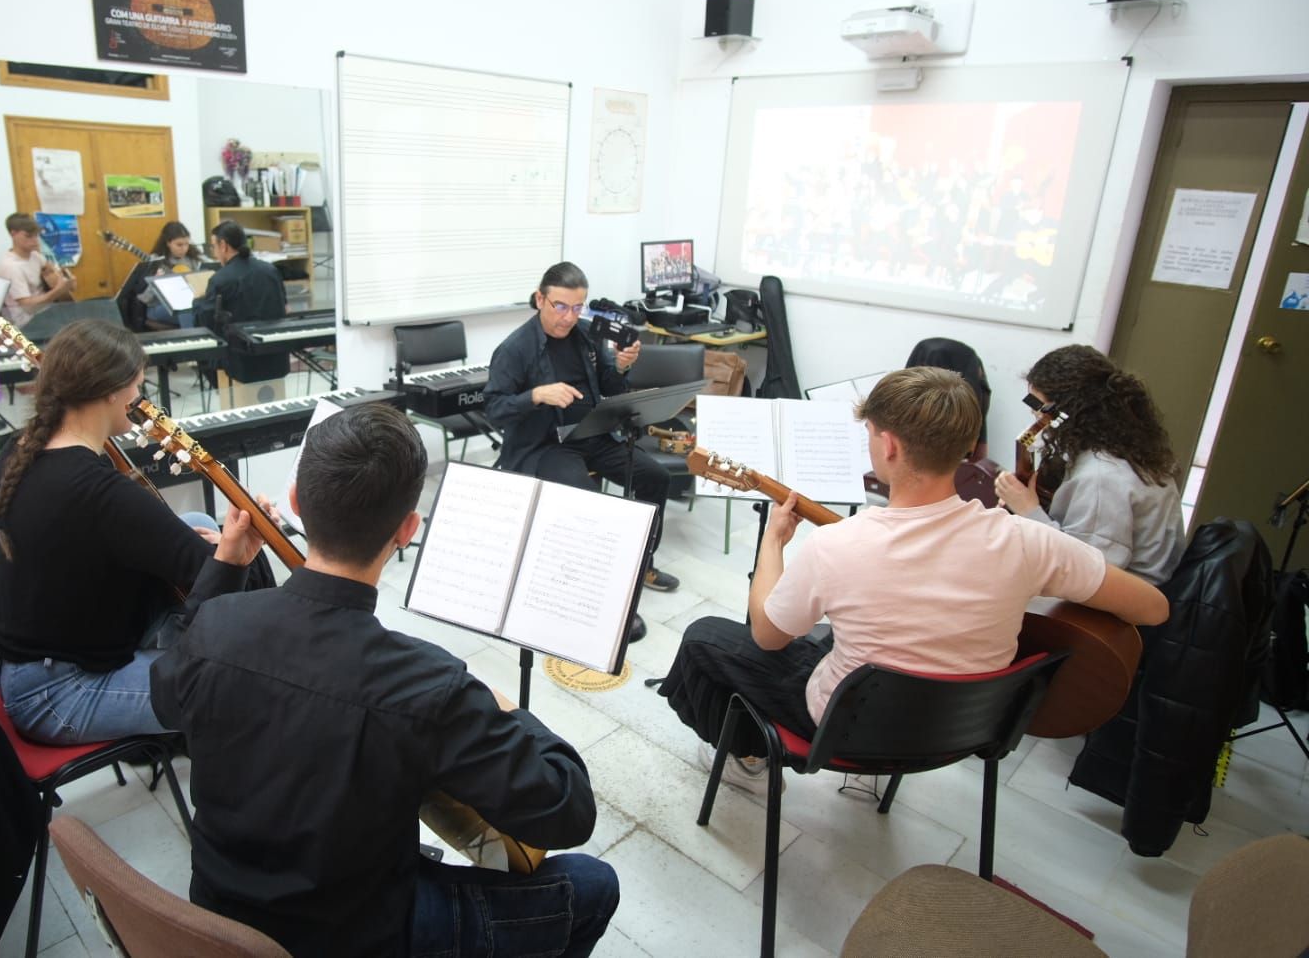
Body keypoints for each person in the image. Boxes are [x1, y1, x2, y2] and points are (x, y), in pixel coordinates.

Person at [150, 403, 619, 957]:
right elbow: (569, 810)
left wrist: (225, 566)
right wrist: (508, 711)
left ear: (297, 502)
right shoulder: (426, 685)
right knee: (592, 884)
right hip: (354, 935)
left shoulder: (215, 625)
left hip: (220, 916)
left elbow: (164, 696)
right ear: (406, 529)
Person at [657, 366, 1169, 793]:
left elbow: (768, 636)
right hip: (965, 729)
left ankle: (746, 758)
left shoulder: (839, 546)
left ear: (890, 445)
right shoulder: (1028, 541)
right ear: (970, 445)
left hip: (848, 729)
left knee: (706, 637)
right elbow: (1154, 609)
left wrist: (773, 544)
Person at [0, 319, 273, 744]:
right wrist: (234, 552)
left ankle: (174, 675)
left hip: (29, 653)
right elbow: (215, 592)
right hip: (54, 693)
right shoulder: (100, 493)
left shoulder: (21, 446)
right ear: (110, 392)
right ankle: (198, 708)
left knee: (195, 524)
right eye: (137, 387)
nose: (140, 400)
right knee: (239, 685)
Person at [483, 262, 677, 643]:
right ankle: (593, 598)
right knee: (590, 507)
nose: (568, 317)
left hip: (591, 432)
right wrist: (536, 395)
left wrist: (621, 365)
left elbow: (608, 384)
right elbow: (494, 409)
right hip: (544, 445)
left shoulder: (585, 336)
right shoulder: (513, 349)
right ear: (540, 299)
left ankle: (643, 565)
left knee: (657, 477)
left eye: (577, 307)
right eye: (560, 306)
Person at [994, 344, 1185, 585]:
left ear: (1069, 412)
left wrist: (1028, 510)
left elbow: (1087, 573)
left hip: (1112, 608)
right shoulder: (1127, 447)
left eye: (1040, 409)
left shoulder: (1102, 477)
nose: (1036, 418)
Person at [195, 220, 288, 389]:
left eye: (214, 246)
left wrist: (198, 302)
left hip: (241, 361)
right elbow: (284, 307)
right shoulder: (271, 270)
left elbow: (208, 322)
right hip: (276, 355)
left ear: (223, 245)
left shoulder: (220, 279)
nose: (215, 253)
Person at [0, 212, 74, 329]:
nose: (35, 241)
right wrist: (58, 291)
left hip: (49, 312)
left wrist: (67, 280)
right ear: (13, 234)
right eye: (29, 236)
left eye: (36, 235)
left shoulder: (35, 256)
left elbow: (54, 272)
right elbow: (28, 307)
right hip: (29, 323)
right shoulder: (11, 266)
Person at [135, 221, 209, 329]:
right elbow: (146, 299)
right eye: (179, 245)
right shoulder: (155, 260)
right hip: (158, 307)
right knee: (185, 310)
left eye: (187, 244)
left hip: (189, 303)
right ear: (168, 243)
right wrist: (155, 282)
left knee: (197, 309)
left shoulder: (191, 259)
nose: (184, 248)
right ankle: (192, 340)